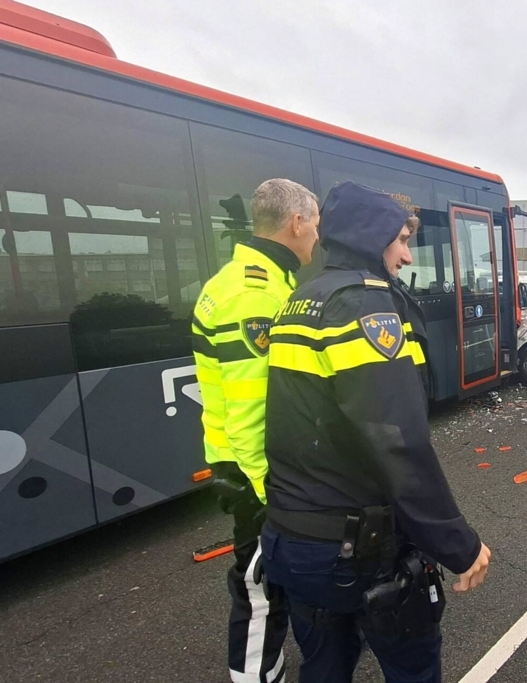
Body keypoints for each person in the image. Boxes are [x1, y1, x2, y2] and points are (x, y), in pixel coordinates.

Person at [261, 182, 491, 683]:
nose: (407, 256)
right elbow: (396, 441)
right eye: (401, 240)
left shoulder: (302, 300)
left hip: (295, 537)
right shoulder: (365, 307)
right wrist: (458, 543)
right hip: (354, 544)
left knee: (323, 669)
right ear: (371, 237)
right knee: (414, 667)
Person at [192, 178, 319, 683]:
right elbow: (250, 411)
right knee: (260, 594)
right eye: (315, 226)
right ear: (296, 222)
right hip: (258, 475)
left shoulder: (246, 281)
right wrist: (273, 494)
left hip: (242, 465)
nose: (317, 239)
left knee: (267, 590)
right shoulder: (256, 295)